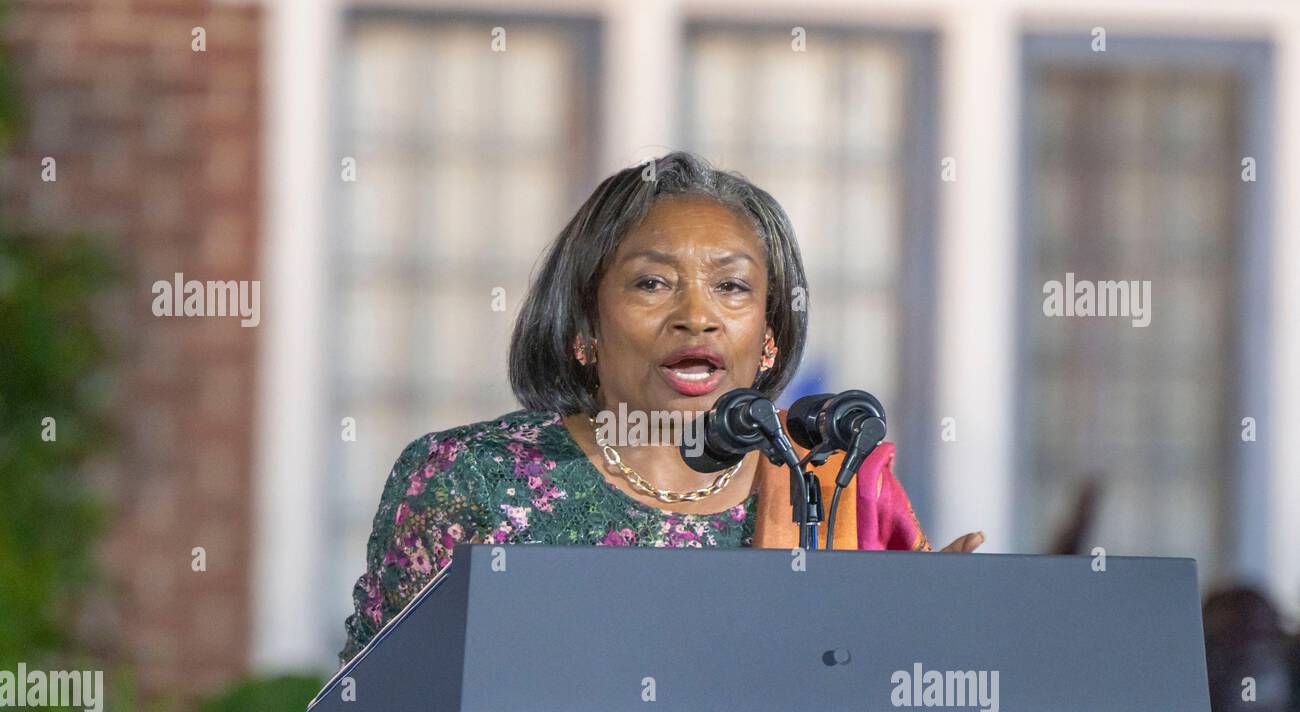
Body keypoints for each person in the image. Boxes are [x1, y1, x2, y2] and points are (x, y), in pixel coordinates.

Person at [340, 152, 982, 666]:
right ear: (583, 327)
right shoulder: (470, 479)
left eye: (731, 287)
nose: (697, 317)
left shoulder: (830, 489)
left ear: (769, 338)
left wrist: (926, 646)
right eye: (652, 283)